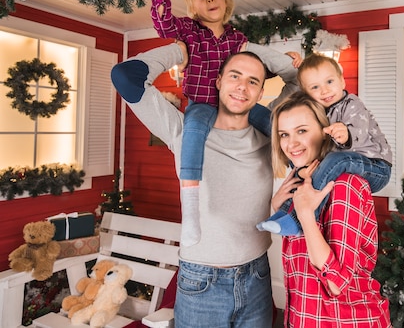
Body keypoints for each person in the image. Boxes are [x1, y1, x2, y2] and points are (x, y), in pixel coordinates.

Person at [111, 44, 289, 327]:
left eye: (253, 81)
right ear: (217, 81)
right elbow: (125, 75)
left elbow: (298, 79)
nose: (242, 87)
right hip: (202, 282)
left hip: (257, 277)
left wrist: (248, 49)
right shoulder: (182, 129)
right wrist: (178, 50)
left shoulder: (272, 133)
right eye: (234, 76)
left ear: (260, 92)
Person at [151, 0, 301, 246]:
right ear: (193, 5)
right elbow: (163, 25)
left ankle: (302, 174)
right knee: (192, 131)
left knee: (274, 123)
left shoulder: (236, 39)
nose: (209, 0)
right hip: (202, 103)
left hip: (235, 103)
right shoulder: (189, 30)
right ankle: (191, 209)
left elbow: (252, 70)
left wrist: (286, 60)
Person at [269, 91, 391, 327]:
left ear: (325, 133)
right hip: (303, 317)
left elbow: (337, 283)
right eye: (284, 134)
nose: (291, 143)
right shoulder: (301, 185)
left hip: (346, 320)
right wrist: (279, 207)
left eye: (302, 131)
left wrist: (304, 216)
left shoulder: (346, 184)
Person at [257, 53, 392, 236]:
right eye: (315, 87)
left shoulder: (352, 104)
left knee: (337, 159)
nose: (324, 90)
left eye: (329, 82)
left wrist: (346, 134)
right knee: (318, 169)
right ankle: (285, 213)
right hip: (343, 163)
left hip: (375, 166)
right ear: (306, 93)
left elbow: (358, 134)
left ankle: (300, 218)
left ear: (342, 82)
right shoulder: (317, 112)